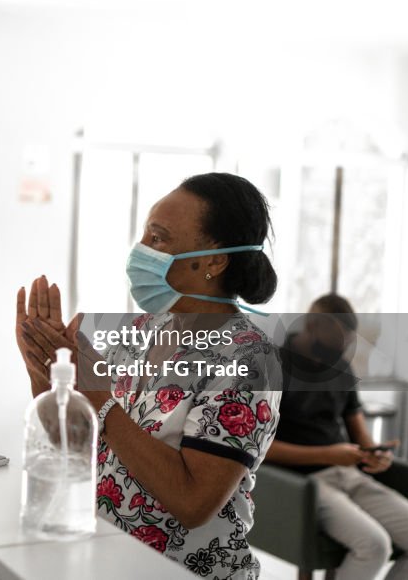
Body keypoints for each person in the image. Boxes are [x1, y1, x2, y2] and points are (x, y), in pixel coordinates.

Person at [17, 172, 283, 580]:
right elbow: (73, 443)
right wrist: (48, 373)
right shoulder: (141, 329)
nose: (140, 250)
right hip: (106, 561)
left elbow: (193, 503)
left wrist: (100, 400)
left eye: (158, 239)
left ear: (214, 260)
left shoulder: (248, 358)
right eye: (143, 236)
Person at [266, 294, 408, 580]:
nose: (342, 352)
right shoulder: (271, 365)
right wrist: (328, 455)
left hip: (348, 474)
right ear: (312, 326)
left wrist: (375, 452)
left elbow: (358, 430)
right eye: (335, 344)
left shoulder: (341, 368)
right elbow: (259, 449)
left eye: (347, 343)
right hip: (302, 483)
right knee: (374, 546)